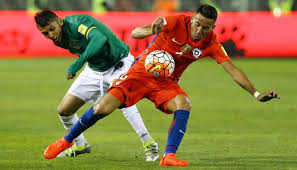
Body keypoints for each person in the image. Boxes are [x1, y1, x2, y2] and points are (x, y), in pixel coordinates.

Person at [43, 4, 280, 166]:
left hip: (165, 82)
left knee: (183, 103)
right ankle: (65, 141)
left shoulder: (211, 43)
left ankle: (169, 155)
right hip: (140, 72)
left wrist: (256, 93)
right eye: (197, 24)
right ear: (193, 18)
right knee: (103, 108)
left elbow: (232, 70)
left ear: (212, 28)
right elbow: (137, 33)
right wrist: (151, 28)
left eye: (205, 27)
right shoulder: (177, 21)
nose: (199, 30)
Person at [35, 9, 159, 161]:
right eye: (45, 33)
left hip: (118, 63)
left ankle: (149, 143)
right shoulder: (58, 39)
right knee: (64, 110)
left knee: (123, 101)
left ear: (60, 21)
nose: (51, 35)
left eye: (52, 29)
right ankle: (80, 145)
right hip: (95, 69)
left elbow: (99, 39)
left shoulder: (77, 24)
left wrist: (77, 65)